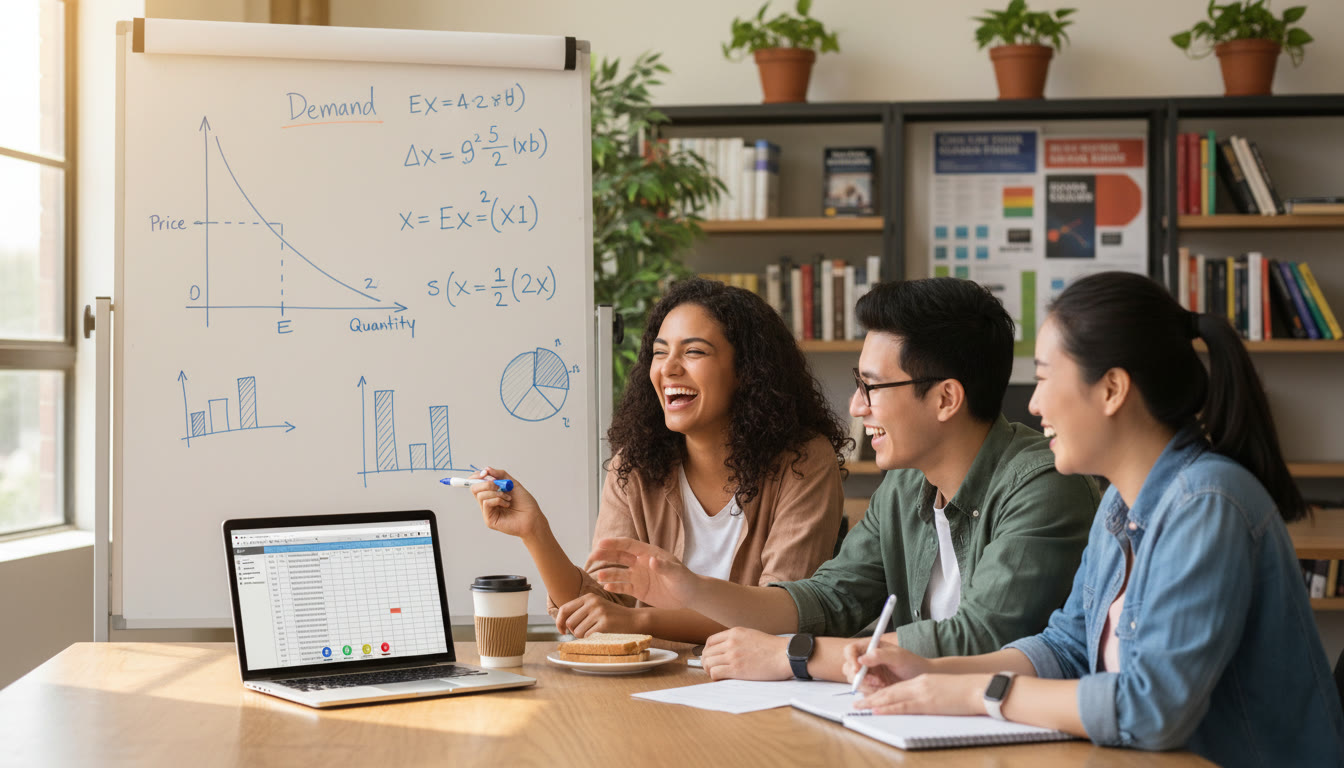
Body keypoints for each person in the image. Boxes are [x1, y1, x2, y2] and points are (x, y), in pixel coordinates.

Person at [838, 271, 1344, 765]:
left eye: (1042, 377)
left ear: (1111, 389)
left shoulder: (1206, 503)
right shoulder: (1118, 504)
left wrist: (977, 693)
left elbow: (1149, 709)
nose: (1033, 404)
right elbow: (1065, 647)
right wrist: (931, 672)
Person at [587, 277, 1100, 681]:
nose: (857, 407)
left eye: (872, 387)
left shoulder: (1043, 485)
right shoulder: (904, 488)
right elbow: (825, 601)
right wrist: (691, 588)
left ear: (945, 398)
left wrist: (796, 655)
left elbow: (980, 638)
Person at [469, 277, 849, 644]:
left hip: (760, 690)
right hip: (656, 690)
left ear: (747, 372)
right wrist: (535, 532)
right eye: (660, 352)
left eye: (694, 351)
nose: (668, 368)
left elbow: (785, 613)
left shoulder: (803, 462)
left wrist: (639, 620)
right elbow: (599, 609)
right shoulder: (633, 467)